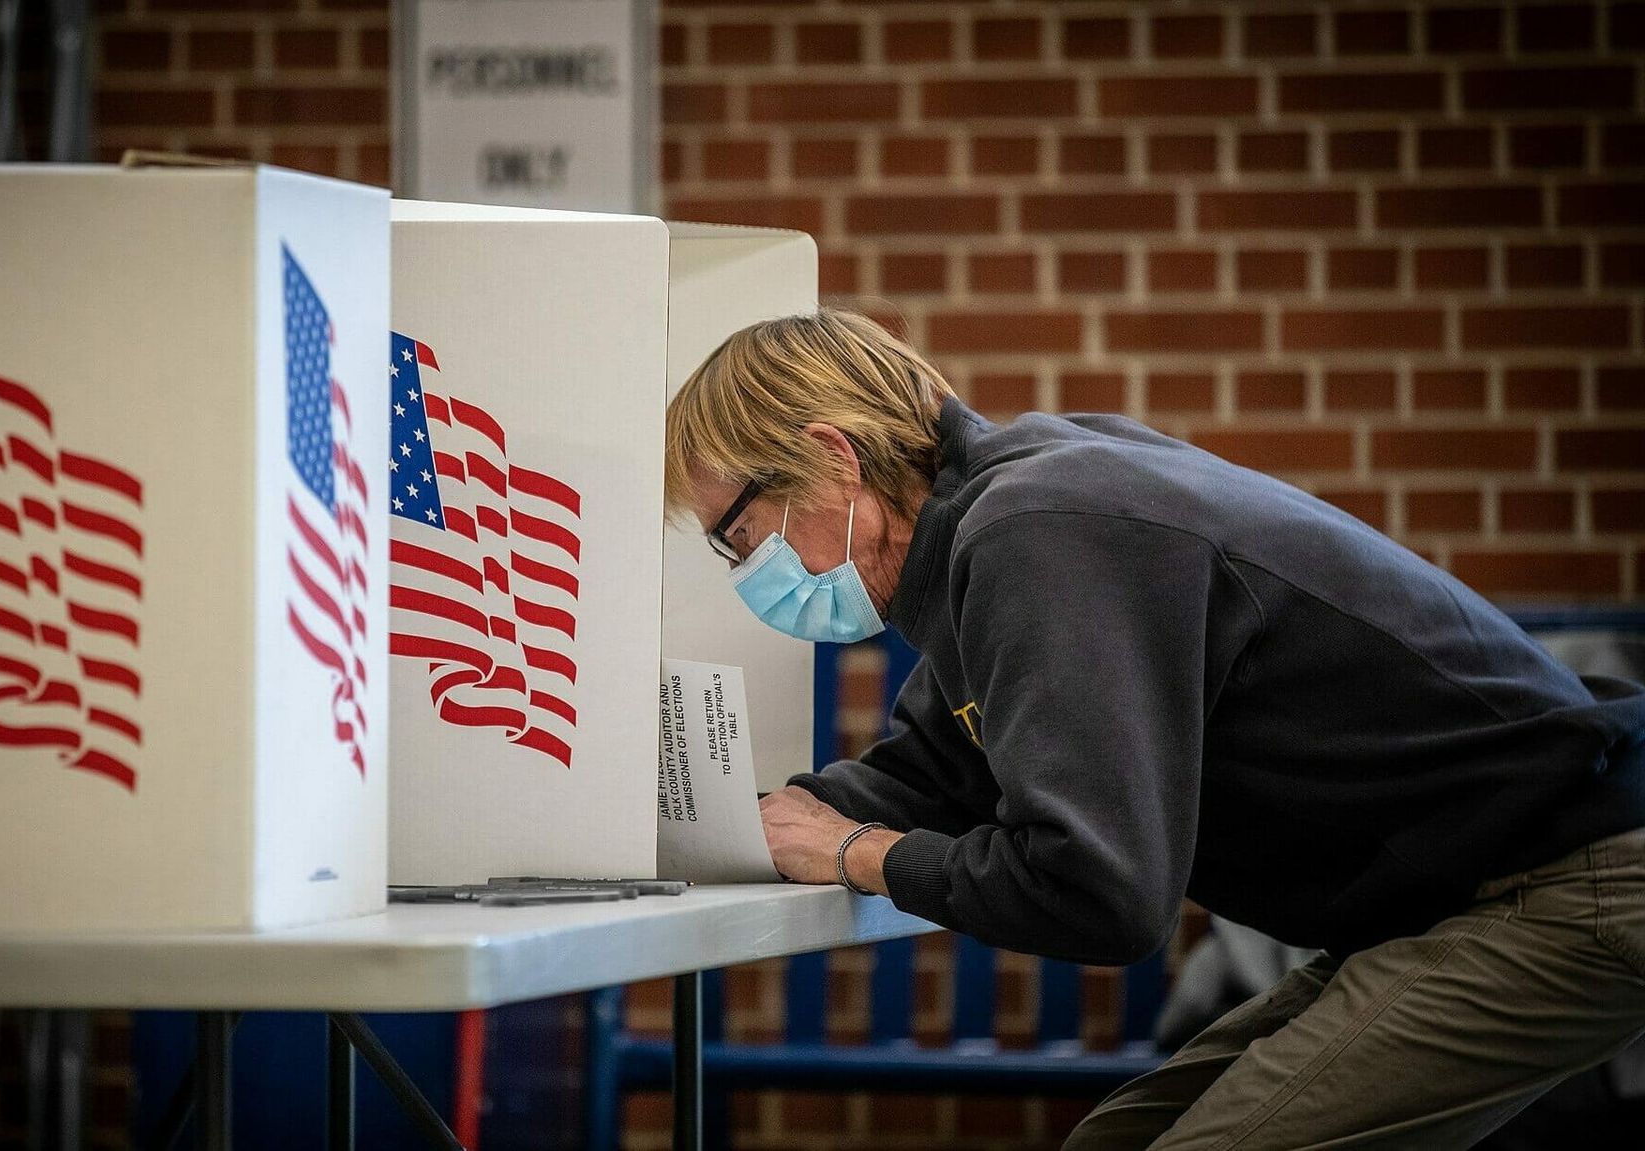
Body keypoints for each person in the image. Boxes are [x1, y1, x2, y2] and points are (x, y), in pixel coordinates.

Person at [663, 307, 1645, 1150]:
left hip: (1568, 872)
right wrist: (732, 822)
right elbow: (936, 766)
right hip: (1456, 890)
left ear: (833, 457)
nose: (744, 566)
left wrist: (856, 851)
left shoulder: (1037, 532)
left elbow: (1099, 892)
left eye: (739, 533)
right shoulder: (997, 519)